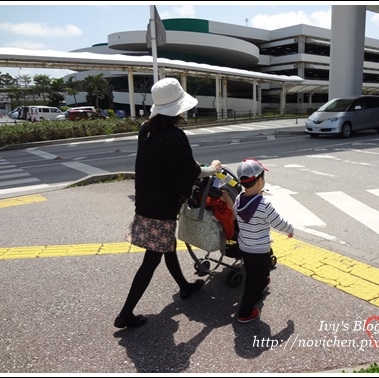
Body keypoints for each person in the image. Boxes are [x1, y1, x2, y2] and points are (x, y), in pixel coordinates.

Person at [114, 77, 223, 329]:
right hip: (162, 207)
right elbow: (190, 172)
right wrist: (212, 168)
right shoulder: (174, 136)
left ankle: (184, 286)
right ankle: (125, 314)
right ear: (178, 109)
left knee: (166, 245)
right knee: (151, 260)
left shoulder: (147, 129)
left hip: (146, 201)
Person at [233, 158, 294, 323]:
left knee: (257, 268)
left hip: (245, 246)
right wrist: (290, 229)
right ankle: (245, 312)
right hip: (259, 248)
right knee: (254, 281)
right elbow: (278, 222)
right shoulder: (263, 204)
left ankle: (263, 278)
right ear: (260, 181)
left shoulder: (238, 199)